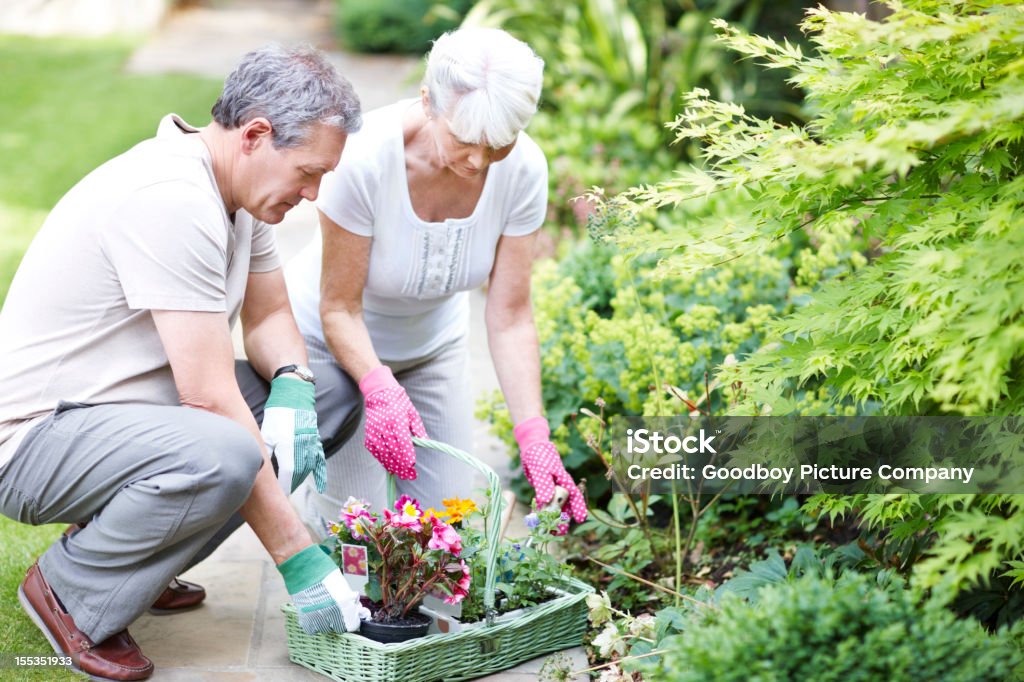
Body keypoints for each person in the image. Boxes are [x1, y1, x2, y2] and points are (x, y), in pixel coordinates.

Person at [0, 45, 369, 681]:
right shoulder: (171, 197)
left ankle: (139, 562)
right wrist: (299, 558)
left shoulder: (237, 188)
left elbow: (272, 318)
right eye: (309, 172)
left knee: (331, 392)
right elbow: (209, 399)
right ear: (255, 135)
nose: (313, 194)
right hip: (34, 439)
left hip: (123, 418)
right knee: (225, 451)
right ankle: (73, 590)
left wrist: (292, 387)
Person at [285, 28, 588, 535]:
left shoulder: (524, 170)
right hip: (333, 346)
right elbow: (338, 307)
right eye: (465, 141)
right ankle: (322, 526)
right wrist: (377, 387)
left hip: (431, 347)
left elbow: (510, 316)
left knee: (446, 528)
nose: (478, 162)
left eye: (499, 144)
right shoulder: (364, 160)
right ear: (428, 103)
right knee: (361, 529)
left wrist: (535, 435)